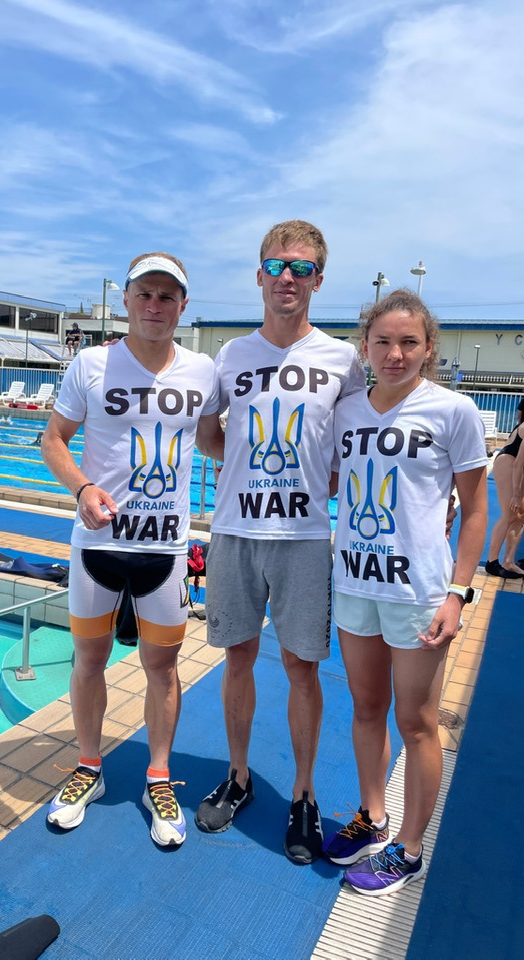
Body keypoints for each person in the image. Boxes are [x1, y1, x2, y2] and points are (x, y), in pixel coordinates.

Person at [194, 220, 366, 863]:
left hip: (303, 539)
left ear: (318, 279)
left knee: (301, 668)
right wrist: (243, 464)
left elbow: (354, 443)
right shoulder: (230, 356)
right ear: (259, 275)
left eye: (300, 267)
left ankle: (303, 793)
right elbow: (209, 433)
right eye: (275, 266)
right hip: (235, 532)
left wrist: (321, 476)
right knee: (236, 658)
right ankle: (239, 778)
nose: (286, 277)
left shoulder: (342, 360)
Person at [41, 252, 220, 847]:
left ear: (182, 306)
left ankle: (158, 776)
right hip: (96, 545)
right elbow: (53, 440)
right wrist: (81, 488)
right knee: (88, 661)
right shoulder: (91, 364)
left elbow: (217, 442)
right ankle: (88, 766)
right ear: (126, 299)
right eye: (145, 293)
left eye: (167, 296)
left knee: (162, 668)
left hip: (165, 552)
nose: (154, 305)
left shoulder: (202, 372)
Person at [322, 289, 488, 895]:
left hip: (419, 593)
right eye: (383, 342)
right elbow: (331, 482)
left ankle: (410, 849)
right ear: (364, 346)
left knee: (416, 722)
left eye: (408, 342)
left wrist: (458, 593)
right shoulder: (345, 411)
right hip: (354, 584)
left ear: (428, 347)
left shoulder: (453, 411)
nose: (395, 354)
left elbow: (475, 510)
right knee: (366, 708)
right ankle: (373, 816)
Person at [484, 397, 524, 579]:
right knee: (510, 515)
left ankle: (509, 561)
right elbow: (518, 464)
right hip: (509, 462)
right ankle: (492, 562)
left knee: (521, 516)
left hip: (518, 467)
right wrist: (517, 494)